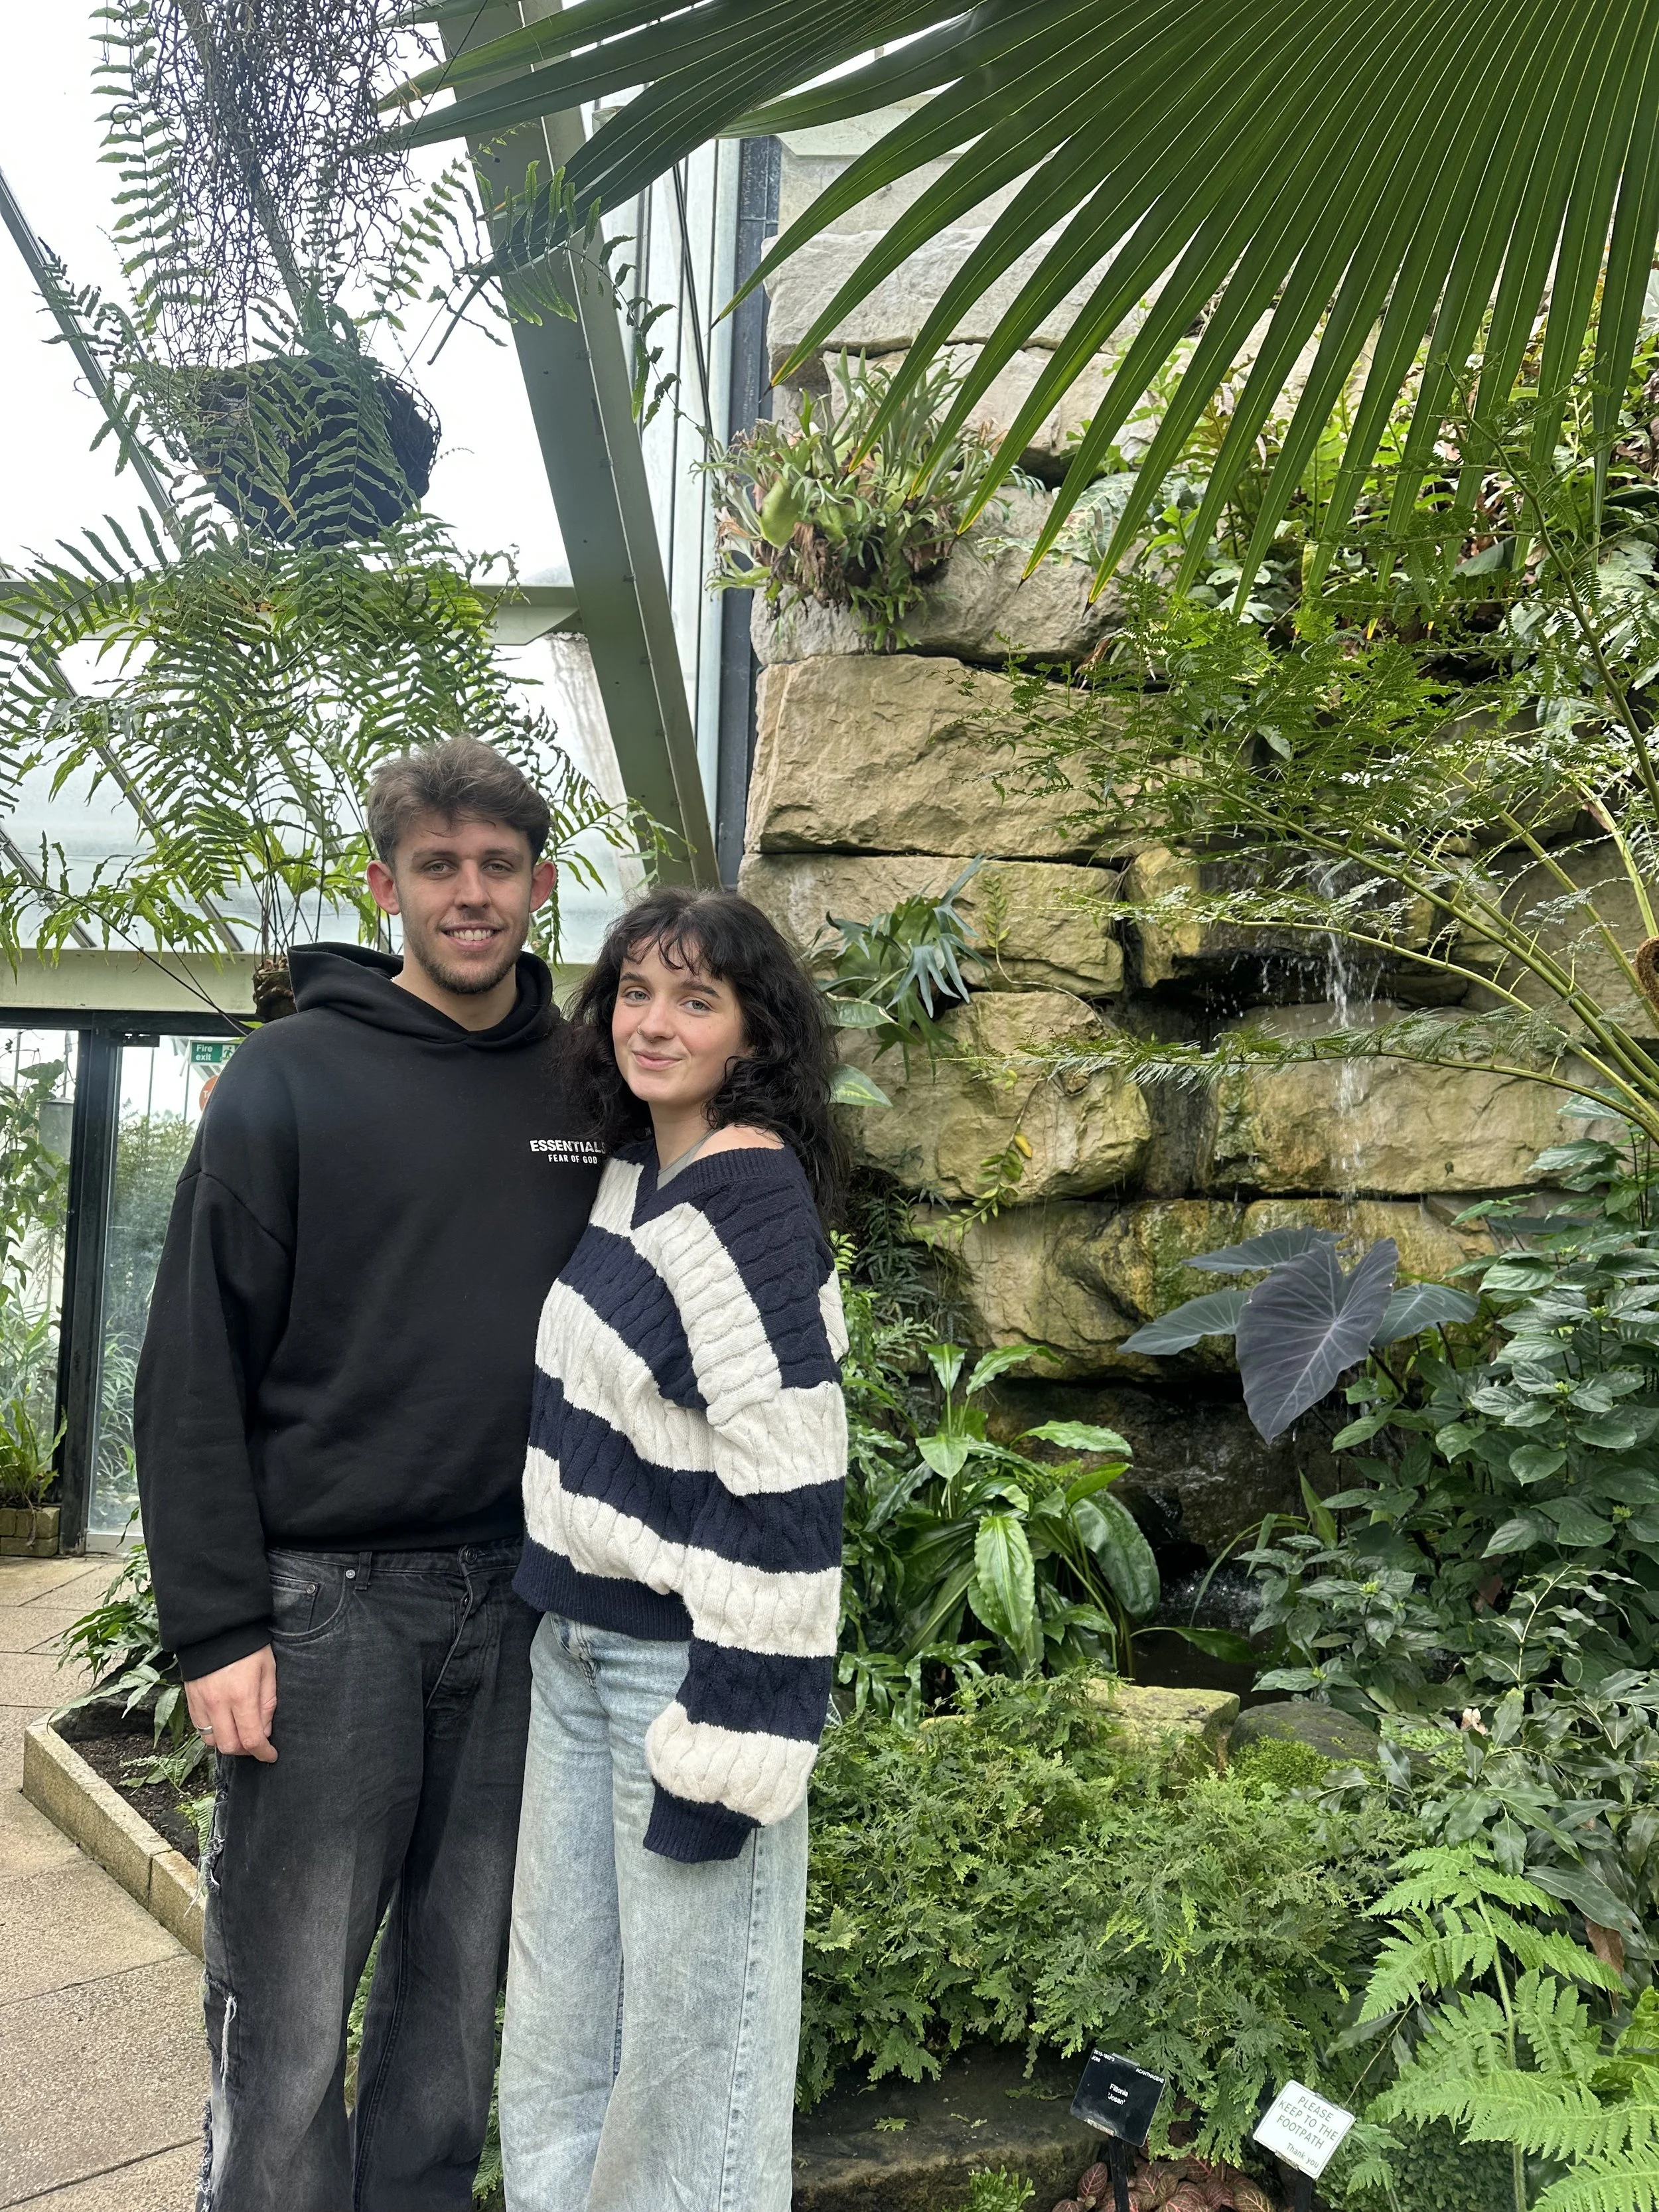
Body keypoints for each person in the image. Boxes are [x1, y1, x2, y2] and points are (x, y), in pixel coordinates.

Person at [133, 735, 605, 2212]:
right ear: (384, 881)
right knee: (282, 2022)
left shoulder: (589, 1078)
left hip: (519, 1606)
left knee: (455, 2008)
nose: (471, 897)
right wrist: (217, 1626)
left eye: (498, 868)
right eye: (438, 867)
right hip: (325, 1607)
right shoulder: (289, 1078)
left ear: (538, 881)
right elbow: (190, 1365)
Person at [499, 885, 849, 2211]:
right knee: (559, 2024)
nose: (654, 1021)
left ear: (749, 1031)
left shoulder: (747, 1203)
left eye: (694, 998)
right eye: (636, 991)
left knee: (693, 2067)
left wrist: (733, 1744)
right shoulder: (638, 1170)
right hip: (576, 1652)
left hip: (682, 1682)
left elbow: (790, 1489)